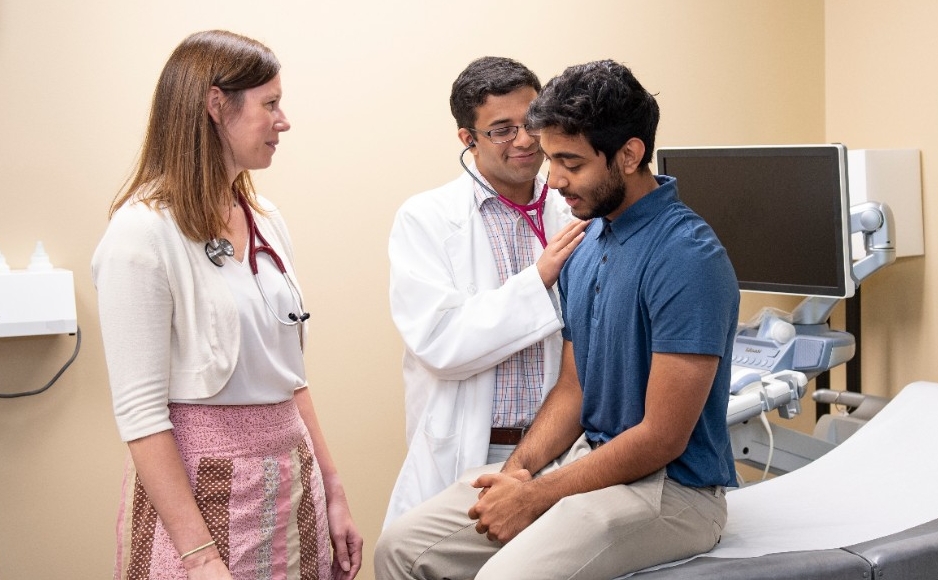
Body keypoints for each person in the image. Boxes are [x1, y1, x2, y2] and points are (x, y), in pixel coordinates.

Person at [374, 59, 740, 580]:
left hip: (674, 488)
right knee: (400, 548)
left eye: (570, 162)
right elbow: (572, 389)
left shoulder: (686, 256)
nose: (555, 180)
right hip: (588, 462)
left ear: (630, 154)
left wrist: (536, 496)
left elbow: (662, 437)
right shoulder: (588, 242)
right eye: (551, 160)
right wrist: (517, 474)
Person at [92, 30, 362, 580]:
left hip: (291, 481)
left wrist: (334, 490)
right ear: (217, 105)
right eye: (271, 104)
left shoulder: (266, 220)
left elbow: (293, 377)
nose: (283, 121)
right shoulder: (141, 233)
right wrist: (200, 557)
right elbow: (142, 416)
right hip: (202, 493)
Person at [383, 56, 589, 528]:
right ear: (467, 139)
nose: (523, 140)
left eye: (531, 122)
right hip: (471, 450)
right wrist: (537, 280)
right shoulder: (426, 219)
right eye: (501, 129)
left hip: (559, 449)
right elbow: (440, 341)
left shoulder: (574, 208)